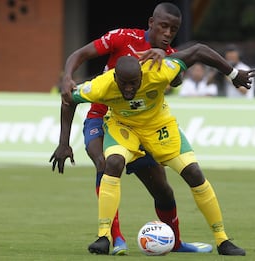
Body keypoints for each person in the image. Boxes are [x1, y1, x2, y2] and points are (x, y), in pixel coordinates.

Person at [50, 43, 255, 256]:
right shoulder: (101, 85)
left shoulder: (159, 71)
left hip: (159, 126)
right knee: (112, 163)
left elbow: (199, 51)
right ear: (115, 79)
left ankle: (222, 240)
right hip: (124, 128)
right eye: (124, 84)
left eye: (134, 83)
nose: (129, 89)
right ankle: (104, 236)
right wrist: (64, 142)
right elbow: (68, 99)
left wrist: (233, 74)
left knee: (194, 173)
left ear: (142, 75)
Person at [54, 2, 212, 255]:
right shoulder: (122, 37)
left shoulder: (168, 54)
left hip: (138, 125)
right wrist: (67, 78)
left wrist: (172, 63)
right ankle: (112, 238)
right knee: (105, 163)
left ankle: (176, 242)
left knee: (161, 189)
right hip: (101, 115)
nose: (168, 32)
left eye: (173, 29)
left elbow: (179, 78)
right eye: (164, 26)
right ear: (151, 23)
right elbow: (80, 54)